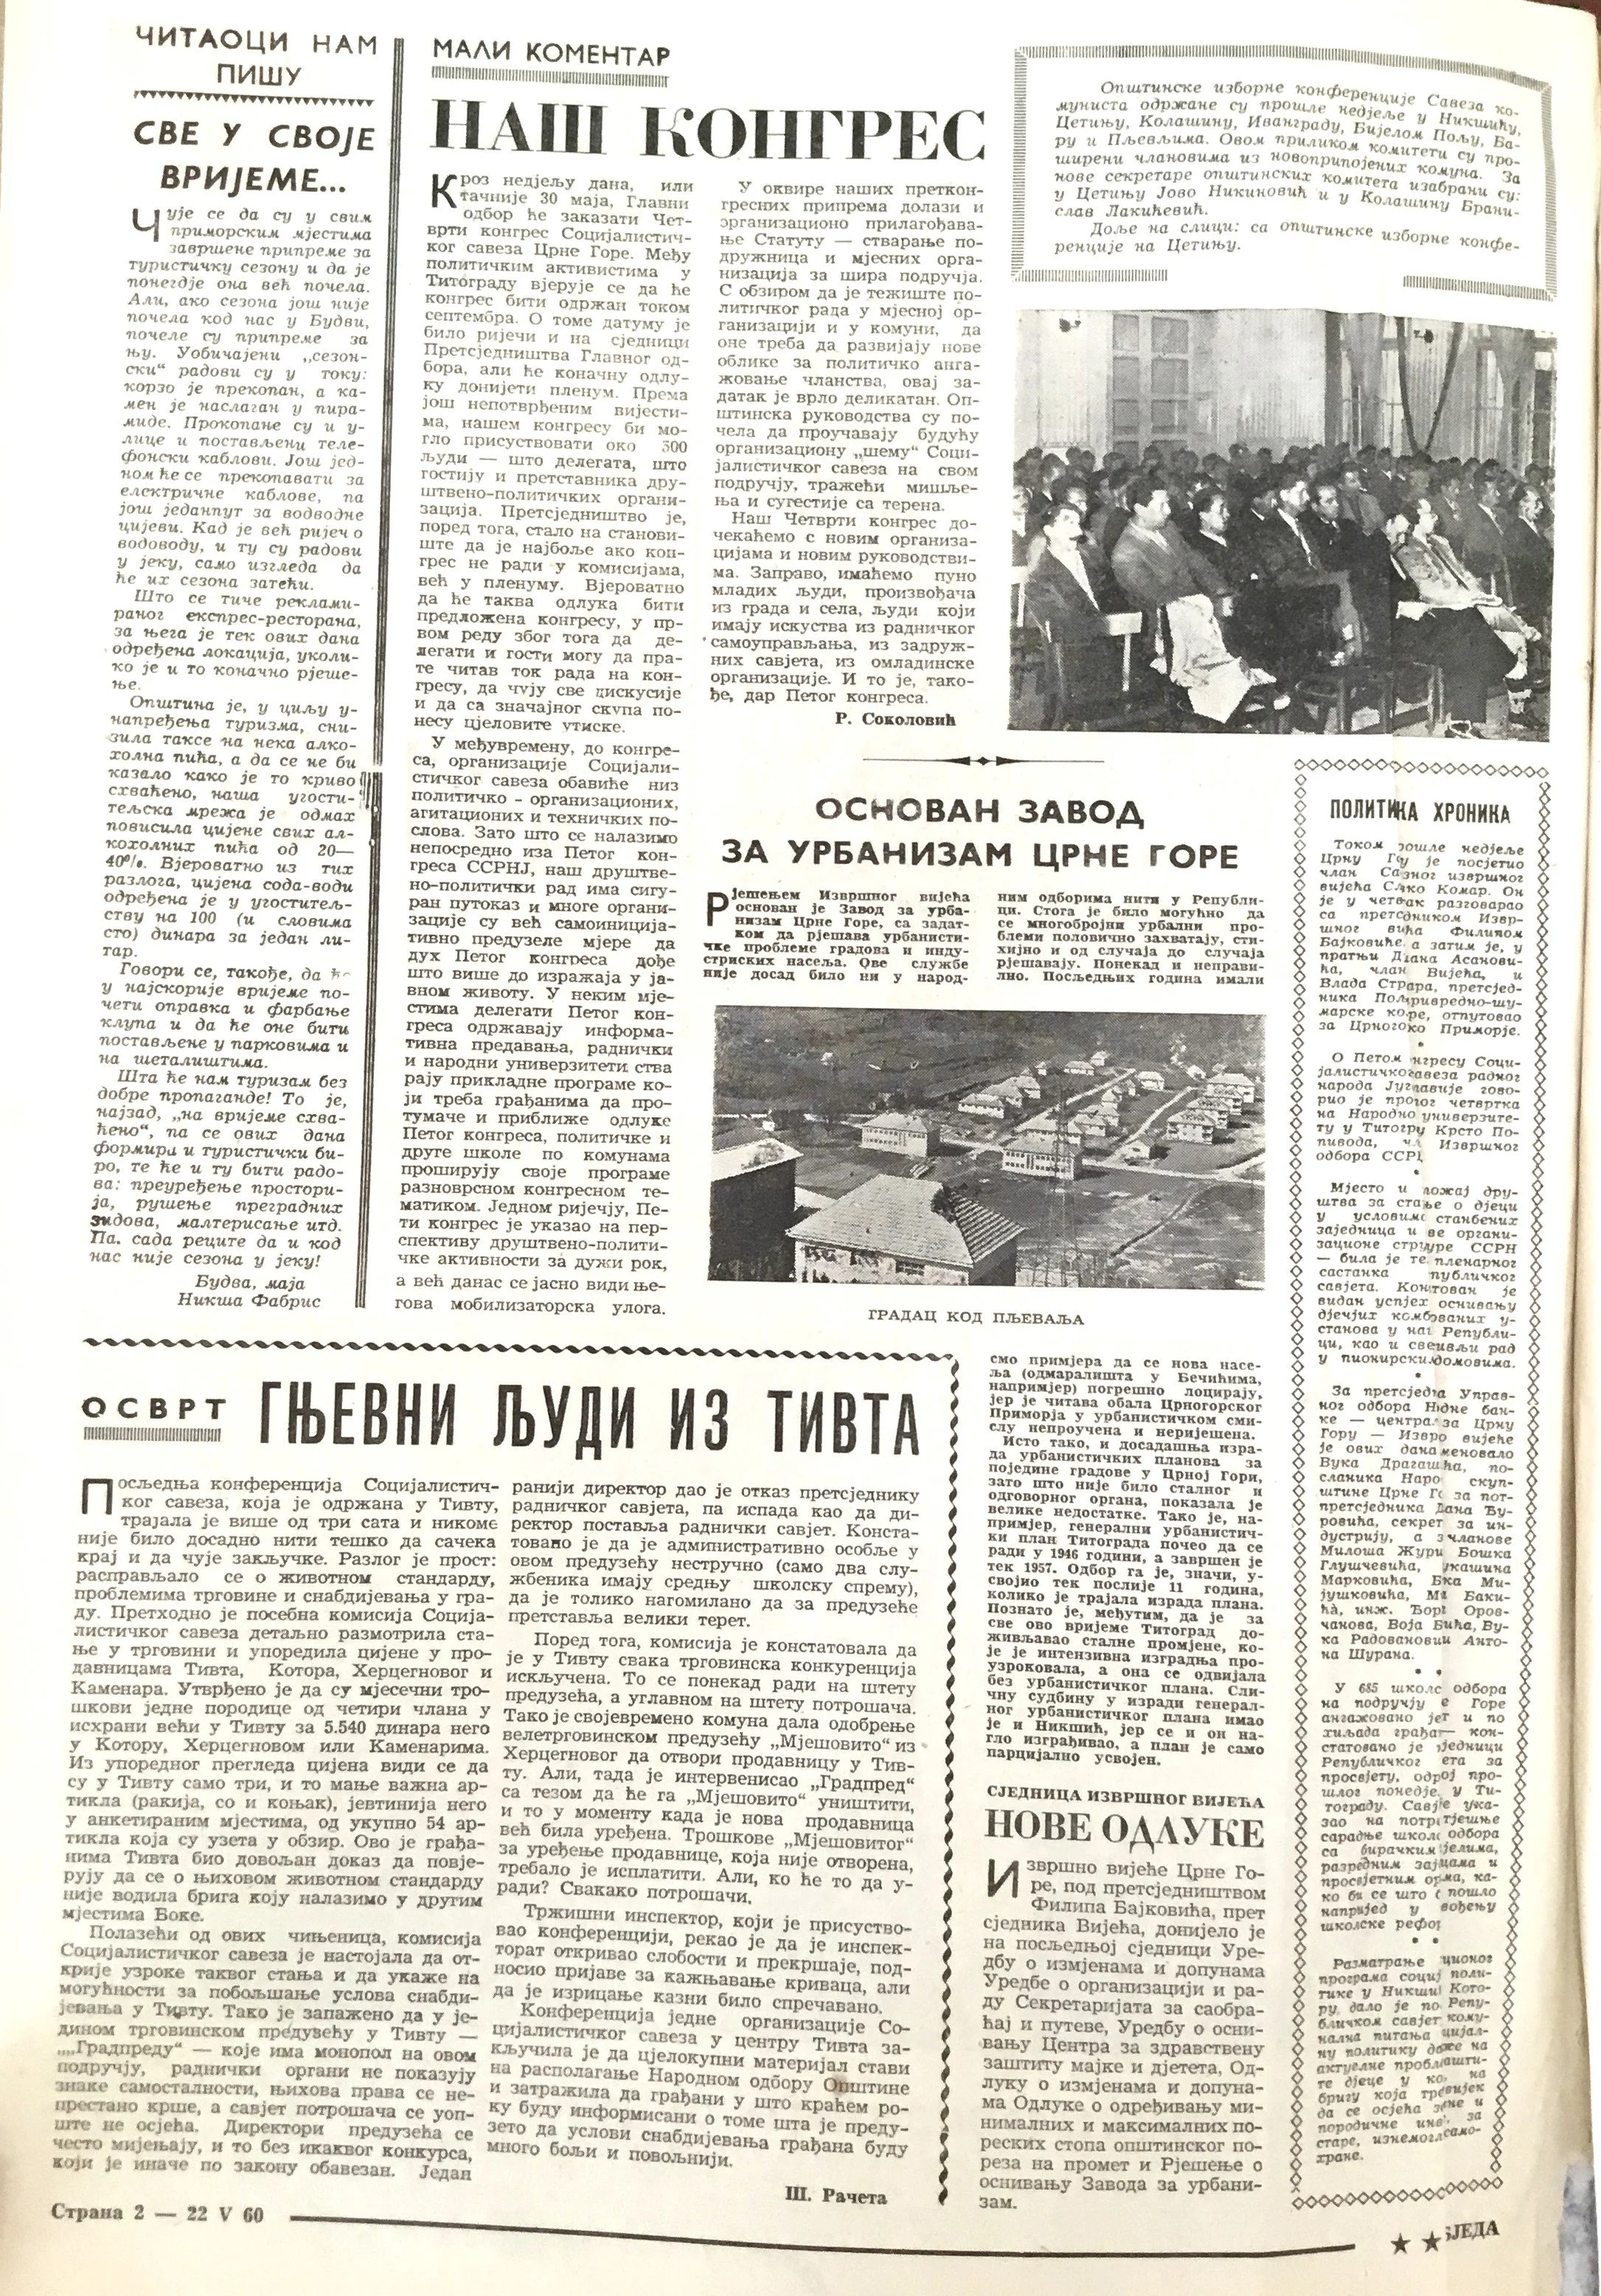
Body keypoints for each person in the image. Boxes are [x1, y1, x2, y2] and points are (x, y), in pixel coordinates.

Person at [1386, 498, 1523, 733]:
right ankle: (1511, 672)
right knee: (1469, 637)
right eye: (1429, 514)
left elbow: (1463, 574)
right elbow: (1429, 592)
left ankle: (1468, 720)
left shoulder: (1438, 543)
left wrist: (1479, 596)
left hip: (1450, 611)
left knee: (1489, 624)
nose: (1436, 517)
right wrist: (1471, 600)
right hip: (1426, 621)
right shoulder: (1403, 551)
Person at [1023, 498, 1125, 726]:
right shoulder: (1039, 578)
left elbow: (1116, 599)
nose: (1077, 530)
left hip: (1113, 648)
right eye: (1068, 522)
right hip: (1074, 661)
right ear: (1049, 531)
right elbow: (1064, 627)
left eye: (1078, 523)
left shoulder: (1093, 559)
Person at [1505, 482, 1553, 636]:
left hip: (1542, 593)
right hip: (1530, 600)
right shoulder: (1515, 532)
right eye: (1536, 503)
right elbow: (1529, 569)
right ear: (1522, 504)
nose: (1541, 507)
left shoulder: (1534, 527)